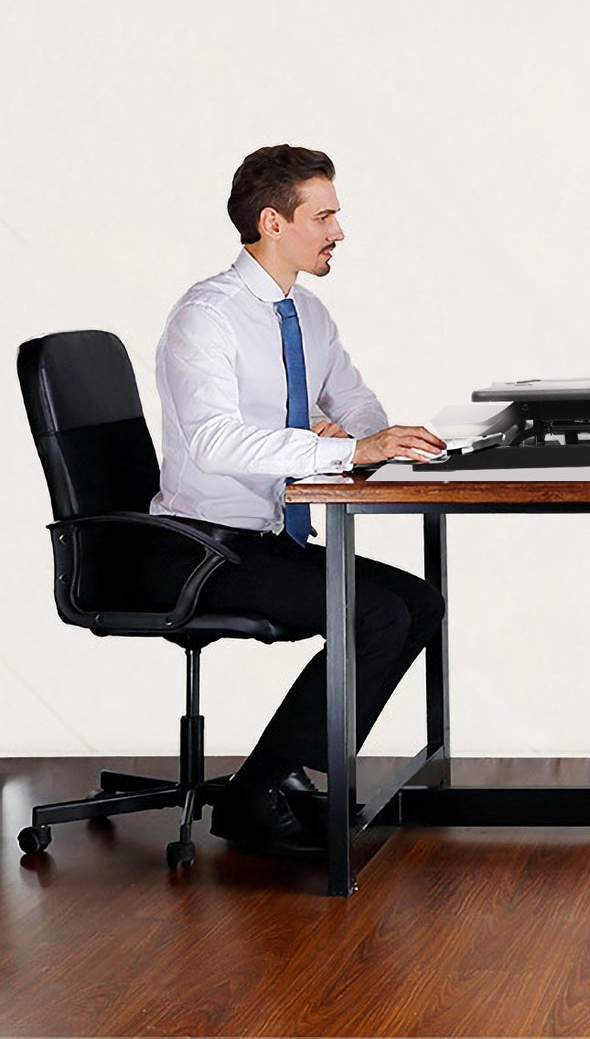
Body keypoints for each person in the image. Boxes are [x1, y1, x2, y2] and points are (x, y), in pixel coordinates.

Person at [150, 144, 447, 857]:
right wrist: (339, 451)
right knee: (373, 611)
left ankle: (277, 782)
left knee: (419, 605)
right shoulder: (207, 317)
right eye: (325, 216)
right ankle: (263, 793)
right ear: (272, 221)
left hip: (266, 536)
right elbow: (215, 441)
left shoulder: (305, 314)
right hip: (203, 543)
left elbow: (355, 403)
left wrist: (375, 437)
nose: (339, 231)